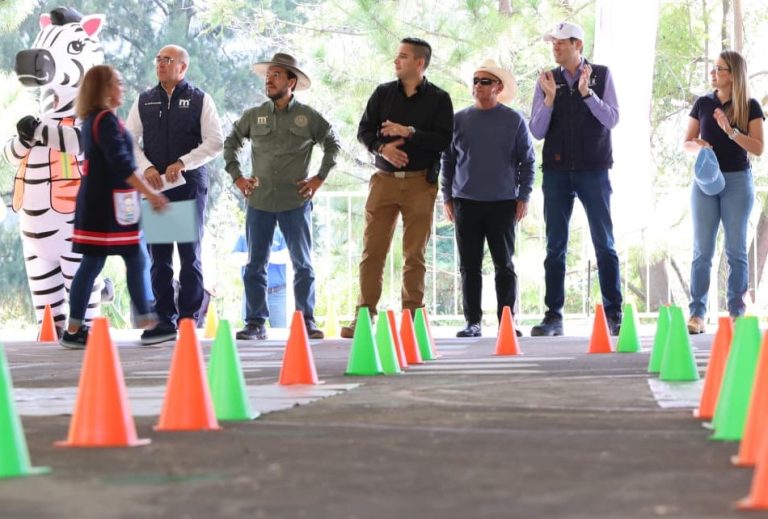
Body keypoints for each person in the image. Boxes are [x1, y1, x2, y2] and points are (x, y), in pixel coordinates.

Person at [340, 37, 454, 338]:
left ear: (420, 62)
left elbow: (444, 140)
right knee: (372, 251)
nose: (396, 60)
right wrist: (383, 148)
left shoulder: (440, 99)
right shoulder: (382, 93)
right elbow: (364, 131)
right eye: (397, 55)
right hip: (384, 182)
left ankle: (413, 318)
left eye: (403, 56)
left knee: (414, 254)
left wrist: (409, 132)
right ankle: (364, 316)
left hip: (420, 184)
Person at [224, 52, 339, 341]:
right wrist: (238, 177)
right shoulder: (254, 115)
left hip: (295, 202)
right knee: (255, 265)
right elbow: (230, 143)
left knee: (303, 265)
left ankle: (306, 322)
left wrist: (319, 178)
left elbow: (332, 144)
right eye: (268, 75)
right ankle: (255, 323)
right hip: (260, 201)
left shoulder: (308, 117)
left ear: (292, 82)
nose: (269, 79)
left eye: (276, 75)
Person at [60, 65, 168, 349]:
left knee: (103, 262)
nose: (122, 87)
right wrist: (151, 194)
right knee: (128, 258)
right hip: (106, 209)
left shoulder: (95, 120)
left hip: (109, 206)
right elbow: (121, 164)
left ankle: (75, 328)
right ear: (103, 89)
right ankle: (146, 320)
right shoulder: (105, 121)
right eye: (117, 83)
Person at [125, 44, 224, 345]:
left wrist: (183, 162)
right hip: (157, 189)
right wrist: (146, 167)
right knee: (159, 258)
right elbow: (128, 140)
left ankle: (188, 320)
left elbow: (215, 141)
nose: (160, 64)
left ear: (183, 67)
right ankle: (164, 321)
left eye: (167, 60)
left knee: (190, 256)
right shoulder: (144, 100)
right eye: (158, 59)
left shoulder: (200, 99)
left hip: (189, 184)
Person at [529, 21, 623, 337]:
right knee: (555, 246)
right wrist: (549, 99)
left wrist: (586, 94)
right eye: (552, 43)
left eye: (561, 42)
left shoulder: (601, 75)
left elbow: (612, 119)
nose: (555, 47)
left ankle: (613, 314)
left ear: (578, 45)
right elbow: (536, 130)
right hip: (556, 172)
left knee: (604, 243)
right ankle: (553, 316)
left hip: (594, 170)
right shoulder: (546, 80)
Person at [441, 59, 534, 338]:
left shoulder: (514, 120)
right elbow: (448, 161)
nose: (478, 86)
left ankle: (507, 321)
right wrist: (446, 197)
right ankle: (473, 322)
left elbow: (527, 161)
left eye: (485, 81)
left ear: (498, 87)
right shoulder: (458, 120)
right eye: (475, 81)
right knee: (469, 266)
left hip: (503, 202)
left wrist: (524, 196)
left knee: (504, 265)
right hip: (465, 201)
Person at [683, 50, 764, 334]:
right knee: (701, 250)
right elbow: (687, 142)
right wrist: (699, 145)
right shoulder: (703, 103)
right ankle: (697, 314)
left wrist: (730, 131)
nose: (713, 73)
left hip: (737, 182)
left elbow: (758, 148)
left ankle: (736, 314)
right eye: (713, 68)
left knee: (736, 250)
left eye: (719, 69)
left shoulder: (750, 106)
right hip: (706, 181)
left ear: (733, 74)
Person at [233, 228, 289, 328]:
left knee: (281, 329)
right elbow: (233, 258)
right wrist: (253, 256)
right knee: (251, 329)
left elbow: (287, 255)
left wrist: (264, 255)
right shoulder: (245, 234)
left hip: (277, 293)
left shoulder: (281, 233)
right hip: (251, 293)